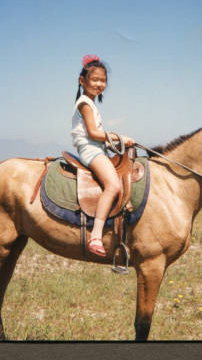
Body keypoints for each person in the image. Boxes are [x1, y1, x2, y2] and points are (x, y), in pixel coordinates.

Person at [71, 54, 134, 257]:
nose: (100, 84)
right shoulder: (85, 104)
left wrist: (113, 141)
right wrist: (118, 138)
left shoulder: (91, 104)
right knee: (114, 185)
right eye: (95, 79)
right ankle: (96, 235)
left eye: (103, 81)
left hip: (97, 148)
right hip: (91, 150)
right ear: (83, 81)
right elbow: (92, 133)